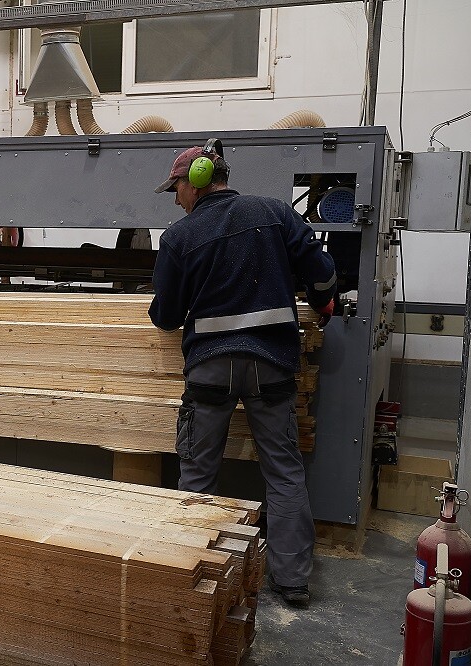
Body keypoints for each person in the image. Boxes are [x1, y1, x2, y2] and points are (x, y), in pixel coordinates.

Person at [148, 140, 337, 608]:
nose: (176, 199)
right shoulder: (275, 213)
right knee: (284, 471)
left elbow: (166, 317)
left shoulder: (179, 237)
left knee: (198, 473)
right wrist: (322, 301)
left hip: (211, 370)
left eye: (176, 188)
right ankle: (291, 582)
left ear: (196, 181)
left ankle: (193, 573)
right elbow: (322, 273)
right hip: (272, 365)